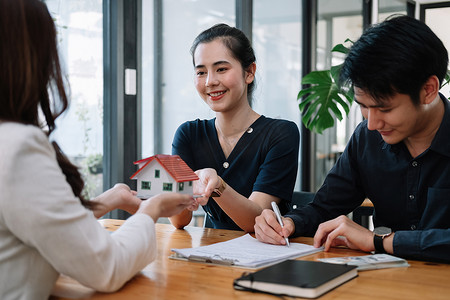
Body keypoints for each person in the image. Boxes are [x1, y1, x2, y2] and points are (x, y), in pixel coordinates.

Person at [0, 0, 196, 299]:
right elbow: (105, 266)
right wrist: (150, 209)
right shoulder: (17, 148)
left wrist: (104, 201)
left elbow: (32, 220)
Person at [254, 15, 450, 263]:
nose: (372, 123)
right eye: (363, 106)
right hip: (386, 280)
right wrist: (289, 223)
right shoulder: (366, 139)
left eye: (385, 109)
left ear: (428, 90)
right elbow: (326, 206)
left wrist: (378, 241)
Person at [169, 24, 300, 232]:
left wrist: (218, 185)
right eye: (201, 72)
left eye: (221, 69)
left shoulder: (281, 134)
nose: (210, 81)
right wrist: (178, 191)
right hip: (208, 258)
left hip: (265, 255)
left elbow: (256, 222)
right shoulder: (187, 134)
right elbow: (179, 221)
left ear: (249, 72)